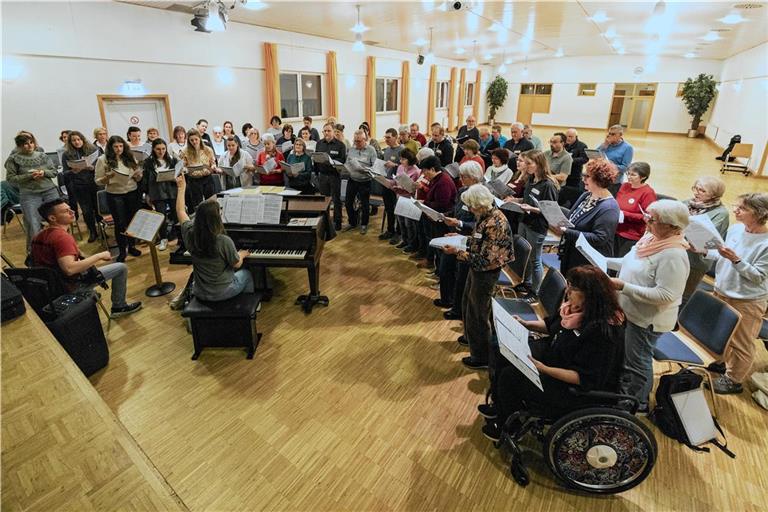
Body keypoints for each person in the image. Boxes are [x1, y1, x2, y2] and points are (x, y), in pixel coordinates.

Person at [481, 266, 625, 441]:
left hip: (576, 390)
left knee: (509, 377)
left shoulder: (603, 330)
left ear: (591, 294)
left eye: (574, 288)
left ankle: (510, 426)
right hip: (558, 357)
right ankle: (501, 407)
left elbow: (584, 377)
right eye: (569, 285)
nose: (568, 291)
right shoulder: (575, 309)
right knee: (502, 352)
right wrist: (526, 323)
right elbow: (551, 326)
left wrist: (544, 369)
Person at [607, 200, 690, 411]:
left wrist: (623, 286)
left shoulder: (673, 255)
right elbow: (629, 263)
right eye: (647, 216)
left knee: (637, 363)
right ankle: (625, 394)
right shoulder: (651, 238)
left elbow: (665, 294)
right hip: (630, 311)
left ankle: (638, 404)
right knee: (627, 359)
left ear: (672, 227)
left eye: (652, 219)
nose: (646, 221)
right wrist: (601, 261)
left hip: (647, 319)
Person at [442, 184, 513, 369]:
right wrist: (462, 240)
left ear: (480, 204)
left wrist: (457, 251)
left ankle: (481, 357)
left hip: (486, 272)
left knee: (478, 313)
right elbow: (480, 241)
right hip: (478, 268)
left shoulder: (495, 223)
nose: (470, 210)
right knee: (468, 303)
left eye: (472, 206)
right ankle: (470, 338)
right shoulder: (486, 215)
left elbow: (484, 259)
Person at [31, 198, 142, 317]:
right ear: (52, 218)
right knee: (121, 268)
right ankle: (119, 306)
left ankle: (92, 295)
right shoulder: (61, 238)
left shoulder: (39, 235)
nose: (72, 212)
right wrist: (99, 256)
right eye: (65, 211)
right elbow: (69, 269)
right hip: (70, 286)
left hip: (50, 287)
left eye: (70, 209)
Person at [704, 193, 768, 394]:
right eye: (736, 205)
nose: (735, 210)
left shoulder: (766, 243)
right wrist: (704, 251)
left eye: (742, 208)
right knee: (724, 334)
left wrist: (736, 260)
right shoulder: (736, 228)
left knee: (742, 342)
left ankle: (734, 379)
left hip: (747, 299)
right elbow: (723, 255)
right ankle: (724, 363)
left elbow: (758, 276)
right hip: (722, 289)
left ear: (759, 214)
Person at [174, 174, 254, 302]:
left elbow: (180, 211)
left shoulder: (190, 233)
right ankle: (246, 308)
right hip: (223, 291)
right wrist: (242, 254)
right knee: (247, 275)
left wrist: (181, 188)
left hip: (199, 290)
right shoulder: (223, 240)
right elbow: (237, 264)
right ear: (217, 218)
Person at [556, 159, 620, 275]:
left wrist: (567, 231)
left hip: (588, 263)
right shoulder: (586, 195)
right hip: (572, 253)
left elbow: (599, 238)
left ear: (599, 179)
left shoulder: (609, 207)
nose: (583, 179)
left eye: (587, 176)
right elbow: (572, 218)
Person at [437, 161, 483, 319]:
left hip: (468, 240)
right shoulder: (462, 190)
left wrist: (461, 223)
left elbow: (480, 224)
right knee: (445, 270)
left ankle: (457, 309)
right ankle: (447, 299)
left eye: (464, 176)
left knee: (461, 277)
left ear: (474, 177)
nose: (461, 179)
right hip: (454, 235)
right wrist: (444, 216)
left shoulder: (481, 195)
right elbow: (457, 210)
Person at [4, 133, 60, 252]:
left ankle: (59, 246)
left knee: (58, 219)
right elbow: (11, 178)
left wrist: (43, 173)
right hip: (29, 194)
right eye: (25, 144)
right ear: (19, 146)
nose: (29, 146)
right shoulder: (13, 159)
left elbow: (54, 171)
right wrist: (29, 176)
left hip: (49, 190)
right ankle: (34, 252)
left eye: (31, 142)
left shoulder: (42, 155)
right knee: (33, 223)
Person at [516, 150, 560, 293]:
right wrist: (516, 200)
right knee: (527, 256)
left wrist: (532, 209)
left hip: (537, 226)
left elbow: (550, 211)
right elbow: (528, 199)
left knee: (535, 260)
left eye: (529, 163)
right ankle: (527, 283)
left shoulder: (548, 185)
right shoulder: (531, 179)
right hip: (525, 221)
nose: (526, 166)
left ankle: (535, 292)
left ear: (539, 164)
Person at [94, 135, 143, 262]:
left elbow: (138, 177)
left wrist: (138, 175)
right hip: (115, 193)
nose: (119, 149)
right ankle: (122, 251)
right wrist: (107, 178)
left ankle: (132, 246)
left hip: (132, 191)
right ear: (110, 147)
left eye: (121, 146)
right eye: (115, 146)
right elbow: (98, 181)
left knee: (132, 221)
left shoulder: (129, 156)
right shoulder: (103, 159)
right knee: (120, 223)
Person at [682, 177, 729, 301]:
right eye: (695, 188)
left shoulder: (721, 213)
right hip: (678, 251)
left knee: (684, 294)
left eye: (702, 191)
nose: (696, 192)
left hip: (696, 261)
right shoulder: (687, 203)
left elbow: (708, 239)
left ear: (714, 194)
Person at [61, 131, 101, 243]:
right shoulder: (66, 154)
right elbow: (65, 172)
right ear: (70, 142)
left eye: (78, 139)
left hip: (94, 182)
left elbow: (101, 165)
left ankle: (102, 230)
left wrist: (92, 168)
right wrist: (73, 171)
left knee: (98, 208)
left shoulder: (92, 150)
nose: (77, 142)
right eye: (74, 140)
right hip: (79, 185)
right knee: (87, 210)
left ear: (83, 139)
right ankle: (92, 231)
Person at [614, 162, 657, 258]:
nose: (629, 177)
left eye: (633, 175)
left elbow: (647, 217)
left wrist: (624, 214)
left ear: (643, 177)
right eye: (628, 173)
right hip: (615, 229)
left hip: (632, 235)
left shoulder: (648, 193)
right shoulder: (624, 186)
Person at [141, 138, 178, 251]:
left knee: (176, 213)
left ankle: (178, 236)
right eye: (158, 149)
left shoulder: (172, 160)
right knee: (161, 216)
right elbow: (145, 180)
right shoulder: (148, 162)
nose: (161, 151)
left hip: (171, 190)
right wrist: (146, 194)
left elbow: (178, 173)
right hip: (157, 192)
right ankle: (163, 238)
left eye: (163, 149)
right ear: (153, 149)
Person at [343, 130, 377, 235]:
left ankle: (364, 224)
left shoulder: (371, 150)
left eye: (358, 141)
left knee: (365, 204)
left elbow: (375, 167)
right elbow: (347, 162)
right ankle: (353, 222)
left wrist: (365, 169)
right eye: (355, 141)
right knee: (348, 202)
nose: (356, 143)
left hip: (365, 180)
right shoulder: (352, 149)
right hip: (353, 179)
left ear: (365, 140)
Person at [315, 122, 347, 230]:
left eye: (329, 130)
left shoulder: (340, 145)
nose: (326, 133)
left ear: (333, 131)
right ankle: (325, 221)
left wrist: (331, 161)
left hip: (334, 176)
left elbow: (343, 160)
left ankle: (337, 222)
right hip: (323, 175)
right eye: (325, 131)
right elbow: (316, 158)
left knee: (336, 199)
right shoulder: (319, 143)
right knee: (324, 199)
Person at [391, 148, 421, 251]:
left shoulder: (417, 171)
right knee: (401, 222)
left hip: (410, 200)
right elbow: (396, 180)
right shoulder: (400, 167)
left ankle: (412, 244)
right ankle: (405, 240)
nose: (401, 161)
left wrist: (403, 188)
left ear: (409, 159)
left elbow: (416, 189)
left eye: (403, 159)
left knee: (409, 224)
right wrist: (391, 184)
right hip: (400, 198)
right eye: (400, 159)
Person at [180, 128, 216, 209]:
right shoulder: (184, 151)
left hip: (207, 178)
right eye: (191, 140)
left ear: (200, 138)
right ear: (188, 141)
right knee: (197, 205)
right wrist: (186, 169)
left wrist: (213, 167)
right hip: (194, 180)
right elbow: (182, 166)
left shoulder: (207, 149)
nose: (194, 142)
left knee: (211, 203)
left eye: (196, 139)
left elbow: (213, 163)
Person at [379, 128, 404, 241]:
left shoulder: (402, 150)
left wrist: (394, 164)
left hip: (398, 184)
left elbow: (406, 167)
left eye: (389, 137)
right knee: (389, 208)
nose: (387, 140)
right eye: (385, 137)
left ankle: (399, 233)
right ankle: (390, 230)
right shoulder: (387, 150)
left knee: (398, 209)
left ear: (396, 137)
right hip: (387, 182)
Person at [560, 128, 588, 207]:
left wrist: (570, 160)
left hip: (574, 175)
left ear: (576, 137)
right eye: (567, 136)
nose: (568, 138)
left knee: (572, 196)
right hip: (563, 173)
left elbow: (585, 159)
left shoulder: (582, 145)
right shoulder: (564, 145)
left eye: (570, 136)